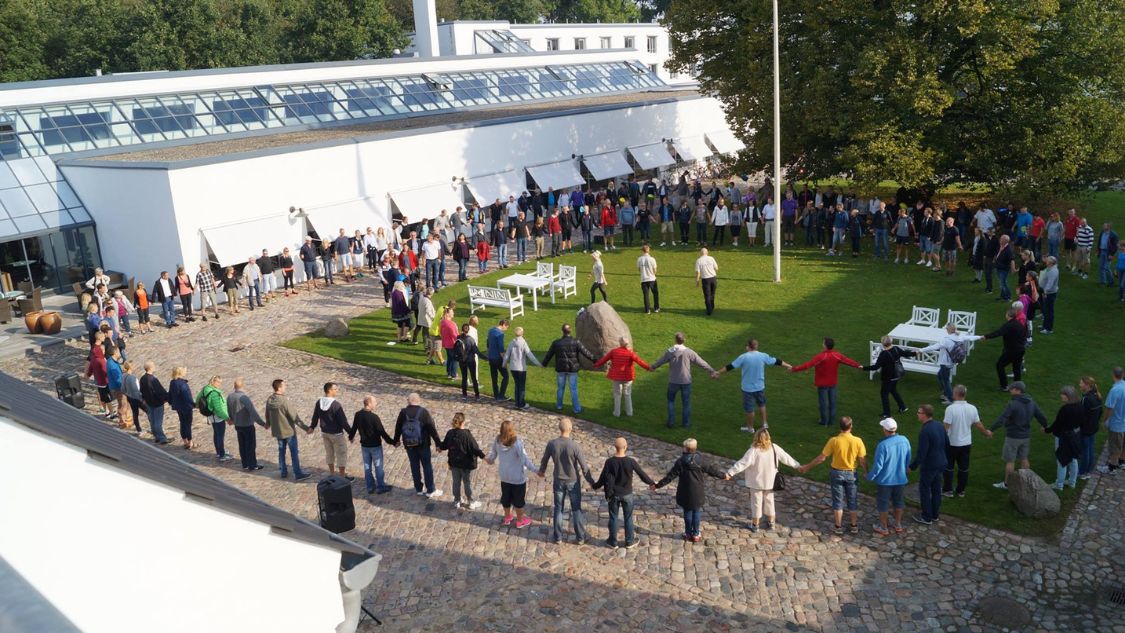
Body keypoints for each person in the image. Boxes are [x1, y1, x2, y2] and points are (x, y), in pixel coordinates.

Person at [798, 417, 868, 535]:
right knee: (852, 500)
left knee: (838, 501)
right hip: (851, 473)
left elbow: (822, 458)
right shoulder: (858, 441)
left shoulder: (834, 441)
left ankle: (838, 526)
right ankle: (854, 525)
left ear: (840, 427)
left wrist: (807, 466)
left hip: (837, 473)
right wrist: (866, 471)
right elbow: (862, 460)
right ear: (851, 427)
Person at [725, 428, 800, 533]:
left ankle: (755, 525)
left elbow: (742, 463)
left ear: (756, 438)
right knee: (770, 501)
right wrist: (797, 466)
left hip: (756, 482)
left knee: (756, 503)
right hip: (770, 481)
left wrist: (730, 472)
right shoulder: (774, 448)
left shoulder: (753, 451)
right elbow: (786, 458)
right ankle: (771, 523)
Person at [653, 438, 727, 542]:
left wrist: (657, 485)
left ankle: (688, 533)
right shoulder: (700, 460)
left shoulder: (680, 462)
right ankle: (696, 534)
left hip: (685, 491)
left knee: (687, 511)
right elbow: (712, 470)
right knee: (696, 511)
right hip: (698, 491)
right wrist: (723, 475)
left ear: (686, 448)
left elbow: (670, 477)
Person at [590, 437, 656, 548]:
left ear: (615, 447)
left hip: (613, 494)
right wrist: (651, 483)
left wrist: (595, 486)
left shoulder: (609, 462)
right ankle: (629, 541)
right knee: (628, 518)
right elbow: (642, 474)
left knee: (613, 517)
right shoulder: (631, 462)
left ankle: (612, 541)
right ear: (625, 447)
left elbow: (603, 478)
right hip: (627, 494)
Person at [715, 339, 793, 432]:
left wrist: (718, 372)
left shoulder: (743, 357)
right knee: (762, 404)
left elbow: (730, 366)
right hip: (760, 387)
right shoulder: (762, 356)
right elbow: (777, 361)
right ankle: (765, 424)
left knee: (749, 409)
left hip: (747, 389)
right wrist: (788, 365)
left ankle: (750, 428)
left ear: (748, 346)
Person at [536, 417, 593, 544]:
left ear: (559, 429)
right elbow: (584, 467)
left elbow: (544, 460)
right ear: (570, 429)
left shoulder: (552, 444)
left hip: (558, 480)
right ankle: (580, 537)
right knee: (576, 509)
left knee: (558, 508)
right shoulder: (574, 445)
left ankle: (558, 537)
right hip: (573, 481)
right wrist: (592, 482)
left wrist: (541, 471)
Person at [649, 332, 716, 428]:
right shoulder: (689, 352)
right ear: (684, 340)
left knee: (671, 401)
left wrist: (653, 367)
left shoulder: (670, 351)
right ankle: (686, 424)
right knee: (686, 403)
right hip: (686, 381)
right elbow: (701, 362)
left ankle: (671, 422)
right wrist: (711, 370)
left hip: (673, 381)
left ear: (675, 340)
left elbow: (661, 360)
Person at [989, 381, 1049, 489]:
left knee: (1010, 461)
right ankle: (1026, 482)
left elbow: (1002, 418)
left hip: (1013, 437)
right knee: (1024, 458)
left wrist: (991, 429)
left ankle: (1007, 484)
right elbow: (1041, 416)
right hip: (1025, 436)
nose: (1010, 390)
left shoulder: (1013, 404)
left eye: (1012, 389)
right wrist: (1045, 426)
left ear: (1017, 390)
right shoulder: (1031, 402)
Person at [790, 337, 862, 426]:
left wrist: (794, 369)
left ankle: (824, 421)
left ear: (825, 346)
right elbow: (848, 361)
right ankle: (831, 421)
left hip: (822, 384)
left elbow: (808, 365)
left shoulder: (822, 356)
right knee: (833, 403)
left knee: (823, 403)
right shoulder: (837, 355)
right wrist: (858, 366)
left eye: (823, 343)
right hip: (833, 383)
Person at [485, 420, 538, 528]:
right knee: (518, 500)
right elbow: (524, 459)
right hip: (517, 477)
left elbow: (493, 454)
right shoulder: (517, 443)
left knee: (506, 498)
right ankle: (520, 520)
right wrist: (536, 470)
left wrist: (489, 460)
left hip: (504, 476)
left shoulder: (497, 440)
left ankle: (507, 517)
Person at [942, 385, 991, 497]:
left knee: (948, 467)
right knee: (963, 468)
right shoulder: (972, 408)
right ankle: (961, 491)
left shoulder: (950, 409)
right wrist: (986, 433)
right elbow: (978, 424)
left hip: (952, 443)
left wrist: (938, 440)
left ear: (955, 394)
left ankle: (948, 490)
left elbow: (945, 427)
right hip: (966, 443)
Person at [864, 417, 911, 535]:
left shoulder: (882, 445)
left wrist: (869, 476)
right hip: (900, 478)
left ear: (885, 430)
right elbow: (908, 457)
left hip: (885, 480)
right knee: (899, 502)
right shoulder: (904, 440)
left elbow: (878, 466)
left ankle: (883, 527)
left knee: (883, 503)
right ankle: (898, 524)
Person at [393, 392, 444, 498]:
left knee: (414, 466)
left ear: (409, 401)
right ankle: (430, 489)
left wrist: (396, 440)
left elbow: (398, 428)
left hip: (409, 445)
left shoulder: (403, 412)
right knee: (427, 466)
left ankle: (419, 489)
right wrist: (438, 444)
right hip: (423, 444)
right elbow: (432, 428)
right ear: (418, 400)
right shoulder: (423, 412)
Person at [918, 323, 983, 404]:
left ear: (948, 330)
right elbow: (969, 338)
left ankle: (950, 399)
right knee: (940, 375)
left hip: (945, 363)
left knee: (946, 380)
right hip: (952, 362)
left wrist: (920, 350)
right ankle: (946, 393)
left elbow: (934, 347)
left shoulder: (946, 340)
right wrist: (979, 337)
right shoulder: (959, 337)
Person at [907, 405, 948, 525]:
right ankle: (935, 514)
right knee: (936, 489)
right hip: (941, 462)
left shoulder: (925, 431)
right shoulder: (939, 425)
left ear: (925, 415)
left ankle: (926, 516)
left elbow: (921, 454)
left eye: (919, 412)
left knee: (924, 489)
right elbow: (947, 443)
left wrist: (912, 467)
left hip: (930, 465)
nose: (917, 414)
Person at [542, 323, 595, 413]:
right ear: (570, 331)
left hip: (561, 368)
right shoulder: (576, 341)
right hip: (572, 369)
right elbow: (585, 352)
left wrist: (544, 363)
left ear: (562, 331)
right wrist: (595, 359)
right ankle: (576, 409)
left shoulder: (556, 343)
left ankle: (559, 405)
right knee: (573, 389)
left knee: (560, 388)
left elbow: (549, 354)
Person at [593, 337, 651, 417]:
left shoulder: (614, 352)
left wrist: (596, 365)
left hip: (616, 376)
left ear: (620, 343)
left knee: (617, 394)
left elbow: (604, 359)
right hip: (628, 376)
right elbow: (639, 361)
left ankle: (617, 413)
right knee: (627, 394)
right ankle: (629, 412)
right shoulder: (630, 353)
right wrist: (648, 367)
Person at [265, 379, 311, 481]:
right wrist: (306, 428)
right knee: (294, 453)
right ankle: (298, 474)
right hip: (288, 431)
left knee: (281, 451)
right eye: (284, 385)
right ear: (279, 388)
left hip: (277, 431)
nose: (285, 387)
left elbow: (267, 413)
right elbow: (294, 417)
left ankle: (283, 472)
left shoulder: (270, 399)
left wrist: (268, 423)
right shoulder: (284, 401)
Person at [347, 395, 394, 494]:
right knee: (378, 467)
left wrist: (351, 437)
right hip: (375, 446)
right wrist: (393, 442)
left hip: (364, 446)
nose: (376, 404)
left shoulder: (358, 414)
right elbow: (382, 432)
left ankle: (370, 487)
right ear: (369, 403)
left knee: (367, 466)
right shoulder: (374, 417)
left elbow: (354, 427)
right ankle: (381, 486)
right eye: (374, 402)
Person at [441, 412, 486, 510]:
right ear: (463, 422)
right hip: (466, 464)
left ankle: (457, 500)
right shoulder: (466, 434)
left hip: (454, 463)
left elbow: (444, 445)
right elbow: (474, 448)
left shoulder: (450, 433)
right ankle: (471, 501)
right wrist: (484, 457)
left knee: (456, 482)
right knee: (467, 483)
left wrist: (438, 445)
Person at [309, 382, 353, 479]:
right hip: (336, 435)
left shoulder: (319, 402)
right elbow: (343, 422)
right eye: (335, 389)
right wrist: (351, 434)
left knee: (329, 454)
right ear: (329, 390)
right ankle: (342, 476)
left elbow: (315, 416)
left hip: (325, 433)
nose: (337, 391)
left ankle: (332, 474)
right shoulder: (335, 405)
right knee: (341, 454)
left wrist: (312, 427)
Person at [1045, 386, 1085, 490]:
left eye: (1062, 395)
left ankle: (1059, 485)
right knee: (1073, 459)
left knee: (1061, 460)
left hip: (1064, 436)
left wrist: (1047, 430)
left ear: (1067, 396)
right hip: (1075, 435)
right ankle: (1072, 482)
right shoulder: (1080, 406)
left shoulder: (1065, 409)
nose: (1061, 396)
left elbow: (1057, 424)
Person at [980, 307, 1027, 390]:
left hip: (1012, 350)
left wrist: (986, 336)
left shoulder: (1009, 325)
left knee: (1000, 365)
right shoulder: (1019, 324)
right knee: (1016, 368)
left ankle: (1004, 386)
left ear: (1008, 315)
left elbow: (998, 332)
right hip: (1020, 349)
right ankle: (1017, 387)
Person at [226, 377, 267, 471]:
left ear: (234, 386)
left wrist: (231, 419)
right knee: (251, 446)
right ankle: (252, 465)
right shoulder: (244, 398)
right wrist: (262, 423)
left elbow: (228, 409)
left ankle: (245, 464)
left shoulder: (230, 397)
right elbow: (253, 412)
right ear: (242, 386)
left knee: (242, 445)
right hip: (247, 425)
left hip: (238, 425)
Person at [503, 326, 541, 410]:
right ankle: (521, 404)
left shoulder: (511, 342)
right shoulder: (523, 343)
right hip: (521, 368)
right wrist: (538, 364)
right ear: (522, 333)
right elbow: (529, 354)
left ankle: (517, 402)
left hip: (513, 368)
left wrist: (504, 364)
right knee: (521, 386)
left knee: (517, 385)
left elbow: (506, 355)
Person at [196, 375, 231, 461]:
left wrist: (198, 406)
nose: (220, 384)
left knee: (216, 434)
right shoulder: (214, 393)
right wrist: (227, 418)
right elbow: (218, 409)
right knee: (220, 436)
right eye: (218, 382)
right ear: (214, 382)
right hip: (217, 417)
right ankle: (222, 455)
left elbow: (198, 398)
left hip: (211, 416)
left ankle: (219, 452)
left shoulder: (205, 388)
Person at [1097, 367, 1125, 474]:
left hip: (1117, 424)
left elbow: (1109, 408)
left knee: (1115, 446)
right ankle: (1122, 462)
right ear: (1122, 375)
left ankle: (1111, 467)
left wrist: (1105, 421)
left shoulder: (1115, 390)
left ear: (1113, 375)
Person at [1078, 376, 1103, 479]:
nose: (1079, 385)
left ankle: (1083, 472)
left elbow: (1081, 415)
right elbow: (1100, 412)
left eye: (1081, 383)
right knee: (1090, 449)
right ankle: (1089, 471)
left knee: (1085, 450)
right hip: (1093, 428)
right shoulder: (1097, 396)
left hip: (1086, 429)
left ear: (1087, 385)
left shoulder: (1086, 399)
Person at [138, 361, 169, 444]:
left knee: (152, 420)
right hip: (157, 403)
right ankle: (162, 438)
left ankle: (156, 436)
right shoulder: (153, 380)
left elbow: (141, 391)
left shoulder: (142, 379)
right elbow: (160, 392)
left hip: (149, 402)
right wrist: (166, 398)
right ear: (151, 368)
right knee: (158, 422)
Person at [454, 323, 485, 399]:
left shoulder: (458, 338)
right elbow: (476, 351)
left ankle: (464, 394)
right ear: (468, 330)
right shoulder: (470, 339)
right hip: (470, 360)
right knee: (473, 377)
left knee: (464, 377)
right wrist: (486, 358)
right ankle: (477, 395)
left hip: (462, 361)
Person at [168, 367, 196, 449]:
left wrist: (171, 402)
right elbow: (187, 397)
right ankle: (190, 442)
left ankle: (185, 441)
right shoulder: (183, 384)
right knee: (188, 424)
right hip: (186, 407)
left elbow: (170, 394)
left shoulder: (172, 382)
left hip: (178, 407)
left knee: (182, 423)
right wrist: (193, 404)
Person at [486, 319, 510, 401]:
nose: (505, 329)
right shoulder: (500, 334)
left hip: (491, 358)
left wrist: (488, 355)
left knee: (494, 377)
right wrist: (505, 361)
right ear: (503, 325)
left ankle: (496, 395)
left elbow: (488, 344)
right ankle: (501, 396)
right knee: (506, 376)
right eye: (506, 327)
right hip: (498, 359)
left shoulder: (491, 331)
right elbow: (501, 349)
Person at [694, 248, 719, 315]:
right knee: (712, 294)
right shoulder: (711, 258)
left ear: (700, 253)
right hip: (713, 278)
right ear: (707, 252)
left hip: (705, 280)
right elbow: (716, 268)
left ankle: (709, 310)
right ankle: (712, 307)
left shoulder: (699, 261)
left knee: (707, 295)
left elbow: (697, 272)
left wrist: (697, 281)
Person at [121, 361, 144, 435]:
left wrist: (127, 394)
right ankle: (154, 429)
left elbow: (122, 389)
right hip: (137, 399)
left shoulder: (123, 376)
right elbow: (138, 389)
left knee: (135, 413)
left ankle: (138, 429)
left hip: (130, 398)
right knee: (149, 411)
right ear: (131, 367)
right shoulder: (133, 378)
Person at [636, 244, 660, 314]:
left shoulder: (639, 259)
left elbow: (639, 269)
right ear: (648, 250)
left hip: (644, 279)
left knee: (646, 295)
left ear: (642, 251)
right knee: (655, 293)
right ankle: (656, 308)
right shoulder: (652, 259)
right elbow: (655, 270)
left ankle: (647, 310)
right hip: (652, 279)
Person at [1039, 256, 1059, 334]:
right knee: (1046, 310)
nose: (1046, 262)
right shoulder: (1050, 268)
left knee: (1049, 311)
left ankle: (1048, 329)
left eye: (1047, 261)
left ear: (1050, 263)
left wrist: (1045, 292)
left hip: (1049, 293)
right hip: (1048, 292)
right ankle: (1045, 326)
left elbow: (1050, 283)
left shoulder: (1053, 271)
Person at [1097, 222, 1119, 286]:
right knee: (1101, 267)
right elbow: (1099, 241)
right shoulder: (1102, 233)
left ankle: (1111, 282)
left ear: (1108, 227)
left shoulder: (1113, 235)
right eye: (1103, 226)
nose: (1103, 227)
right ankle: (1102, 282)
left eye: (1104, 226)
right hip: (1102, 251)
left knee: (1107, 268)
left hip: (1108, 252)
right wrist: (1098, 250)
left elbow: (1115, 246)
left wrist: (1111, 254)